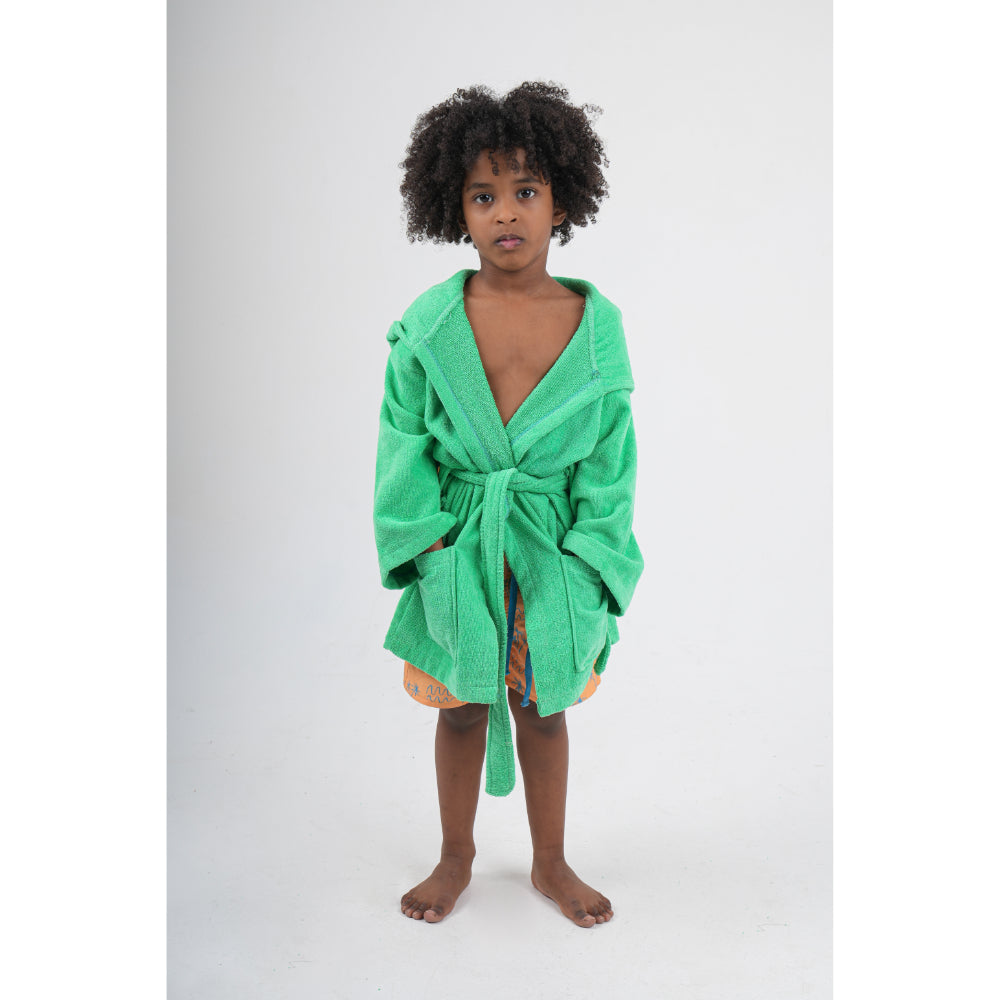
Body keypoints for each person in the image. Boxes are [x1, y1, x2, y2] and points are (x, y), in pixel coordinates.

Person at [373, 82, 643, 928]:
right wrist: (426, 547)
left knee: (544, 710)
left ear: (563, 201)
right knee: (460, 709)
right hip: (460, 544)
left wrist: (591, 560)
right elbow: (401, 444)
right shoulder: (430, 326)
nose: (506, 212)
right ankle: (455, 855)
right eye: (483, 196)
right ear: (455, 210)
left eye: (526, 190)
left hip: (550, 551)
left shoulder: (594, 327)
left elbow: (611, 458)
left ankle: (550, 861)